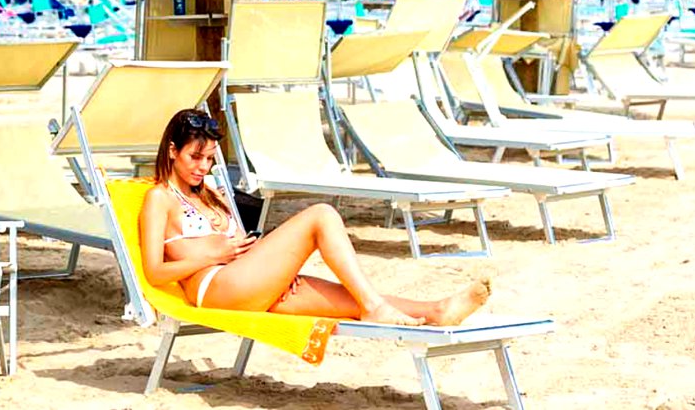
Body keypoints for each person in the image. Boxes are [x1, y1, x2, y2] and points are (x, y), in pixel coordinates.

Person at [139, 109, 491, 325]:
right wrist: (214, 256)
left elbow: (240, 247)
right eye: (195, 157)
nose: (203, 167)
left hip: (246, 279)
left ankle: (437, 311)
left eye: (210, 159)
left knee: (353, 299)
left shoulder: (210, 192)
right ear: (172, 151)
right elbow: (154, 272)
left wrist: (274, 267)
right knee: (321, 214)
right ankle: (378, 308)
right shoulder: (159, 199)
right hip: (215, 288)